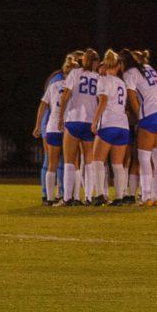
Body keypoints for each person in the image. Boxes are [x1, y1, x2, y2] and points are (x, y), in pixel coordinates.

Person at [122, 48, 157, 207]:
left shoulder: (129, 74)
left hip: (151, 114)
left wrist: (140, 118)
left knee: (144, 157)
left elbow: (132, 98)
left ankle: (146, 197)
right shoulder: (149, 68)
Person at [54, 49, 99, 206]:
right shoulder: (98, 77)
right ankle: (88, 197)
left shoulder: (75, 73)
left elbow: (66, 95)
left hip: (74, 119)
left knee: (69, 161)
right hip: (89, 121)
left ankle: (67, 198)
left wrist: (60, 116)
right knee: (89, 161)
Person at [88, 50, 131, 206]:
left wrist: (94, 121)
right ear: (118, 66)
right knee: (118, 164)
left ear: (105, 64)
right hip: (123, 126)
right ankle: (119, 197)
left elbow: (104, 100)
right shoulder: (122, 83)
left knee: (97, 161)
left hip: (108, 123)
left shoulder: (104, 80)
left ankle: (99, 195)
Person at [33, 55, 75, 205]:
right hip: (67, 126)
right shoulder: (73, 86)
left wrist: (38, 125)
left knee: (51, 162)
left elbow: (43, 105)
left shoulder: (54, 84)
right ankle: (67, 196)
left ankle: (48, 198)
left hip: (52, 126)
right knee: (69, 162)